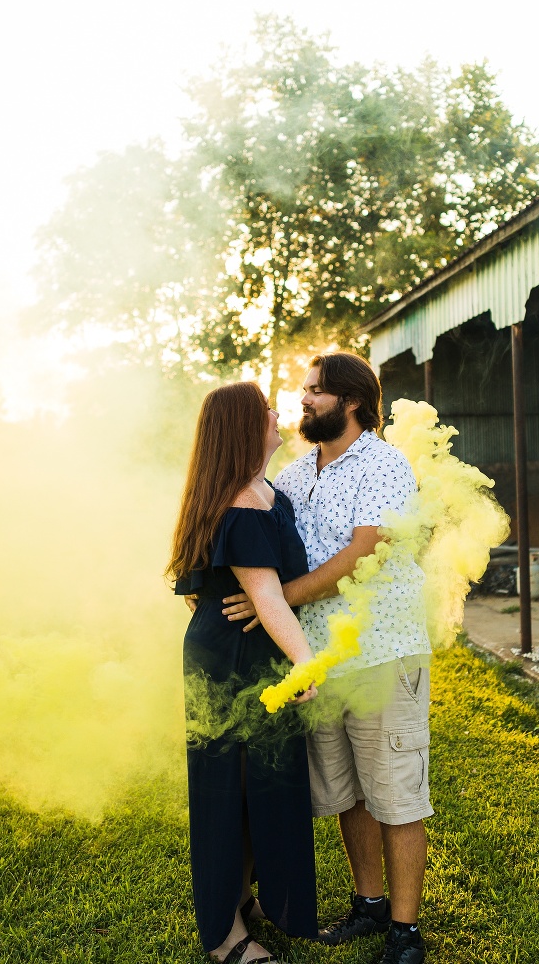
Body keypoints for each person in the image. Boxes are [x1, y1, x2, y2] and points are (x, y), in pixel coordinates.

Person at [223, 353, 432, 964]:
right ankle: (369, 906)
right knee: (348, 792)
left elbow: (362, 554)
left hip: (380, 651)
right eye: (305, 391)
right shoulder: (294, 473)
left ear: (352, 402)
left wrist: (273, 599)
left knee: (395, 791)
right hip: (317, 659)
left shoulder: (385, 465)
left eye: (315, 392)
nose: (303, 401)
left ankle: (405, 932)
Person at [167, 381, 318, 964]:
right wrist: (306, 660)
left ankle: (245, 895)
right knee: (227, 793)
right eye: (266, 410)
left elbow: (220, 589)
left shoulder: (258, 489)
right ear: (245, 427)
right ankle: (224, 934)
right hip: (234, 662)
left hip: (243, 650)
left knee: (264, 786)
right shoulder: (243, 500)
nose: (278, 414)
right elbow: (268, 596)